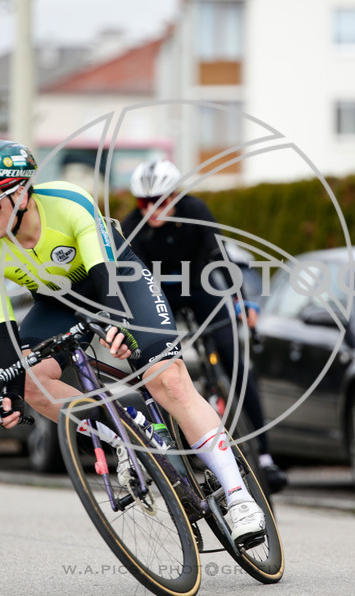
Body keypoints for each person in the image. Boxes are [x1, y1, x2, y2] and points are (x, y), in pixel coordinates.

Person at [0, 139, 267, 544]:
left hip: (117, 280)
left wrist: (115, 326)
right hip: (58, 302)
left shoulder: (68, 203)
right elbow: (1, 330)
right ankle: (121, 434)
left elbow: (105, 278)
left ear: (20, 193)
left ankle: (239, 497)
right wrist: (9, 396)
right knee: (31, 383)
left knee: (167, 380)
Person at [120, 159, 288, 493]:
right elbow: (130, 279)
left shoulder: (196, 210)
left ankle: (265, 456)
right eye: (144, 202)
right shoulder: (132, 225)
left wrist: (241, 299)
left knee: (234, 361)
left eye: (162, 200)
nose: (153, 209)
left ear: (176, 196)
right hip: (160, 293)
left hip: (200, 288)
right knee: (163, 364)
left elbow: (219, 255)